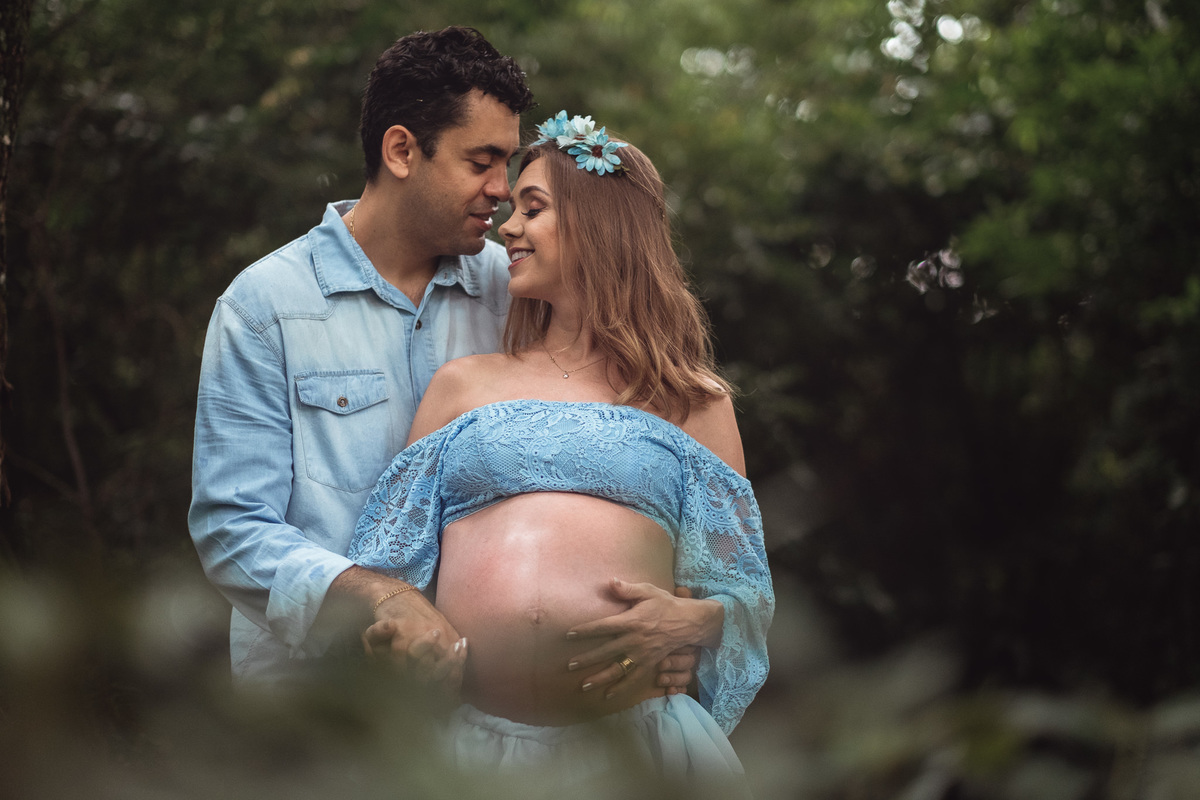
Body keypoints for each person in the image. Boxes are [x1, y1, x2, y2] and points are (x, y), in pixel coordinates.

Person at [188, 28, 700, 697]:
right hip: (320, 708)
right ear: (402, 150)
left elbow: (626, 443)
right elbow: (231, 528)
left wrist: (690, 618)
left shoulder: (519, 287)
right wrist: (377, 597)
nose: (502, 190)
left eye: (508, 164)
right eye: (481, 161)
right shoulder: (266, 306)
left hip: (487, 715)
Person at [349, 112, 773, 787]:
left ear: (601, 224)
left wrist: (694, 622)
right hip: (471, 759)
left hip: (638, 759)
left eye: (532, 208)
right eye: (512, 209)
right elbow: (387, 572)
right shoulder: (461, 386)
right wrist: (394, 634)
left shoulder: (693, 402)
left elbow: (744, 595)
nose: (507, 227)